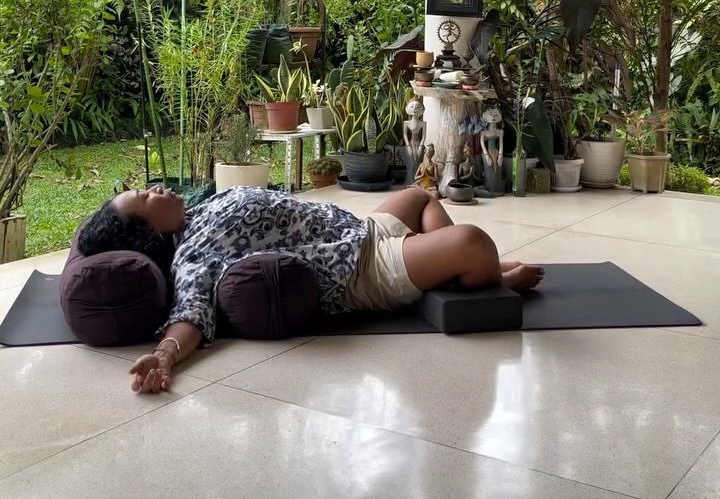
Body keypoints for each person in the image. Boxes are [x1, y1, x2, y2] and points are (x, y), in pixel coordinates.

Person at [78, 183, 543, 395]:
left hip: (358, 229)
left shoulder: (198, 213)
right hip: (359, 267)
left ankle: (442, 264)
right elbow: (192, 311)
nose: (157, 188)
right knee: (473, 241)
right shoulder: (191, 256)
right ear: (148, 234)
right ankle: (488, 276)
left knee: (420, 196)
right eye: (146, 198)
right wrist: (164, 357)